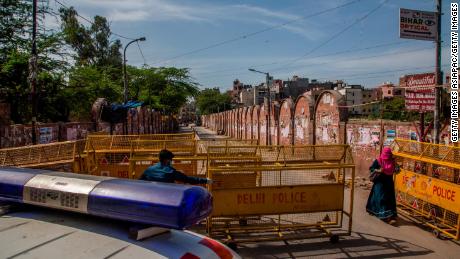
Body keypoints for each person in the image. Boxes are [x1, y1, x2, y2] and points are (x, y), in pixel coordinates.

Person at [366, 147, 399, 225]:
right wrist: (378, 170)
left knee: (389, 199)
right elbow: (371, 169)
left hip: (389, 183)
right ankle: (386, 217)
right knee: (381, 198)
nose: (386, 157)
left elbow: (397, 170)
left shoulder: (393, 161)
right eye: (386, 155)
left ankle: (390, 215)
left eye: (388, 155)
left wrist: (396, 168)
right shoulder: (378, 161)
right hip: (379, 183)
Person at [140, 149, 212, 185]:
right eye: (170, 159)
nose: (171, 161)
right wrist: (206, 180)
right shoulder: (170, 172)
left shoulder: (148, 170)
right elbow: (188, 179)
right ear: (166, 160)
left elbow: (139, 182)